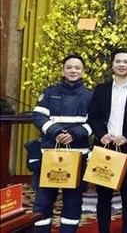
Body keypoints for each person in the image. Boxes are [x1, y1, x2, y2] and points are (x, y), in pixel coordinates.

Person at [32, 54, 93, 233]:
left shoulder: (90, 96)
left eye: (77, 68)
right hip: (50, 155)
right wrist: (56, 131)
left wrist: (74, 134)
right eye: (69, 67)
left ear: (83, 71)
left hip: (78, 155)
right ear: (63, 70)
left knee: (73, 201)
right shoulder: (50, 92)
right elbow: (38, 116)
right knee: (43, 200)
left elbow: (97, 122)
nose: (73, 70)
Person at [87, 48, 127, 233]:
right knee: (104, 196)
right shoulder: (101, 89)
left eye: (126, 61)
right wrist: (101, 134)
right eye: (118, 61)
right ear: (112, 64)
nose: (122, 65)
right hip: (105, 148)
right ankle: (104, 230)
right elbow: (92, 117)